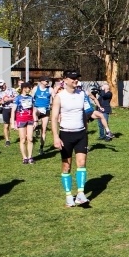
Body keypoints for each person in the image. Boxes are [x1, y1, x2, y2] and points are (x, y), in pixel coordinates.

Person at [51, 71, 90, 207]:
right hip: (66, 134)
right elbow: (54, 118)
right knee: (66, 166)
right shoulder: (59, 97)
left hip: (81, 134)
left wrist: (86, 130)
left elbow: (84, 114)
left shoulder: (82, 94)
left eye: (77, 78)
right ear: (65, 80)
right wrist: (56, 137)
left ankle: (80, 194)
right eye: (73, 78)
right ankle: (68, 195)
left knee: (82, 162)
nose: (75, 80)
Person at [12, 81, 36, 164]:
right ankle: (24, 157)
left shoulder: (31, 98)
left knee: (30, 138)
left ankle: (30, 156)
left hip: (30, 120)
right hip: (21, 120)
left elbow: (33, 110)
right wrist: (13, 122)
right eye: (29, 88)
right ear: (24, 88)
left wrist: (35, 120)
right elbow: (13, 111)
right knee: (22, 139)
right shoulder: (17, 98)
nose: (30, 89)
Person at [31, 76, 53, 154]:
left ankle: (41, 148)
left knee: (44, 130)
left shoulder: (50, 89)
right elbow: (31, 98)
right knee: (35, 112)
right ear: (41, 81)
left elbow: (54, 97)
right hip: (37, 109)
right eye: (46, 81)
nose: (47, 82)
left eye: (48, 81)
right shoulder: (35, 88)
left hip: (46, 110)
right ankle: (36, 125)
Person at [0, 80, 17, 147]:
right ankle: (7, 140)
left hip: (13, 108)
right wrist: (1, 102)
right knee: (6, 125)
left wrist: (9, 99)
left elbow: (17, 98)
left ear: (5, 84)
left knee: (16, 124)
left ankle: (23, 138)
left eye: (2, 85)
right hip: (5, 109)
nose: (1, 87)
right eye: (0, 86)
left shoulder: (12, 90)